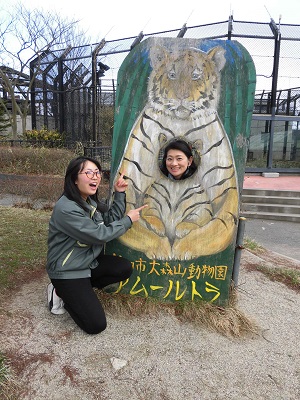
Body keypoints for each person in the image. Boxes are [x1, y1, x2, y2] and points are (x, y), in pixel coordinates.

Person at [46, 155, 147, 334]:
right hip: (67, 271)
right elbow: (100, 235)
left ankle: (78, 292)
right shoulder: (66, 208)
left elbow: (108, 221)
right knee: (95, 325)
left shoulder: (88, 202)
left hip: (87, 264)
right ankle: (60, 292)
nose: (95, 176)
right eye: (89, 172)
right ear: (74, 179)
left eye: (97, 172)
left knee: (123, 268)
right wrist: (128, 220)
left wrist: (119, 193)